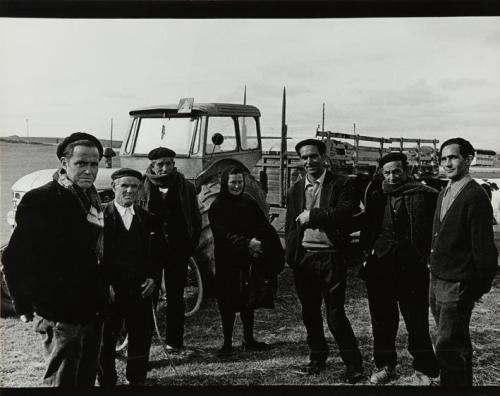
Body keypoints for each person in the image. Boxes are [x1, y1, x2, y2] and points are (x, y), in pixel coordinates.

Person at [2, 132, 108, 387]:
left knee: (86, 375)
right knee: (63, 379)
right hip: (59, 310)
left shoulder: (92, 198)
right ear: (64, 163)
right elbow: (16, 257)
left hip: (92, 307)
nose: (89, 170)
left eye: (94, 164)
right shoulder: (42, 199)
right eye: (81, 163)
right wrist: (24, 305)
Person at [285, 138, 364, 382]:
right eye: (304, 157)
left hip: (331, 258)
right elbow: (291, 225)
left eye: (314, 156)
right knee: (309, 313)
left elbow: (344, 214)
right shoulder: (295, 189)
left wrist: (313, 216)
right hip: (305, 259)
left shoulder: (342, 184)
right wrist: (292, 255)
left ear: (324, 157)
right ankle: (317, 357)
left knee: (335, 314)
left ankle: (353, 364)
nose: (309, 161)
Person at [360, 152, 439, 385]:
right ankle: (385, 366)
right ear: (381, 173)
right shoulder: (376, 195)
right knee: (382, 321)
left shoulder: (425, 195)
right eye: (387, 172)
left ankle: (424, 368)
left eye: (397, 171)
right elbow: (367, 229)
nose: (392, 176)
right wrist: (368, 255)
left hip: (412, 268)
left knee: (416, 321)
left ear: (407, 170)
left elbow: (435, 230)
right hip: (380, 268)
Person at [429, 137, 498, 386]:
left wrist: (476, 287)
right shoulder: (445, 190)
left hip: (456, 284)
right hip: (437, 279)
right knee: (454, 341)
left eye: (454, 157)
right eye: (444, 158)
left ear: (469, 160)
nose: (448, 163)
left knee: (447, 346)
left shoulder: (474, 196)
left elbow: (485, 249)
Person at [208, 166, 284, 355]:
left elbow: (262, 225)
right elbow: (223, 234)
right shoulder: (218, 206)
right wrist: (248, 242)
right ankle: (226, 344)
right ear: (225, 184)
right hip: (227, 261)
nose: (237, 186)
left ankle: (248, 339)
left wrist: (262, 243)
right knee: (227, 302)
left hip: (248, 260)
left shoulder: (248, 202)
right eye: (233, 182)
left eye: (240, 182)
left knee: (247, 300)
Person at [98, 168, 164, 386]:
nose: (129, 190)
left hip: (140, 289)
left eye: (134, 186)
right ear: (114, 187)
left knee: (141, 335)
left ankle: (135, 378)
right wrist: (102, 284)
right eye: (124, 185)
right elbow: (91, 255)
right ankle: (107, 379)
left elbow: (158, 254)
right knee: (106, 338)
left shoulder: (149, 219)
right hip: (110, 291)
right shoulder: (99, 217)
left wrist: (154, 278)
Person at [139, 147, 202, 352]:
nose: (164, 168)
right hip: (151, 253)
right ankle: (144, 346)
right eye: (160, 164)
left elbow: (195, 219)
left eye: (168, 163)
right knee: (150, 297)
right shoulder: (141, 186)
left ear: (174, 164)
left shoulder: (186, 187)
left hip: (178, 251)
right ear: (152, 166)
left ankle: (175, 342)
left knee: (176, 297)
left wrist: (188, 246)